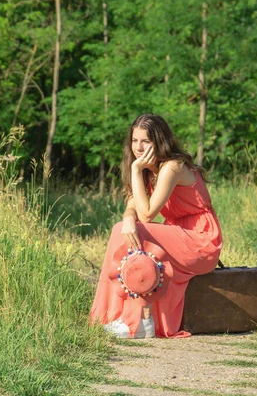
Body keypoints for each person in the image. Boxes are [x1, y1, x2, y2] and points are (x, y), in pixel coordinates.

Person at [89, 113, 222, 338]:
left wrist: (134, 170)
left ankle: (135, 323)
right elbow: (133, 208)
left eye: (145, 141)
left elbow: (148, 214)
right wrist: (129, 217)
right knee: (120, 229)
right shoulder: (147, 171)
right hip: (178, 234)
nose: (138, 148)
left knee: (139, 230)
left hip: (201, 239)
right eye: (134, 140)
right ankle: (115, 316)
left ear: (159, 142)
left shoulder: (172, 167)